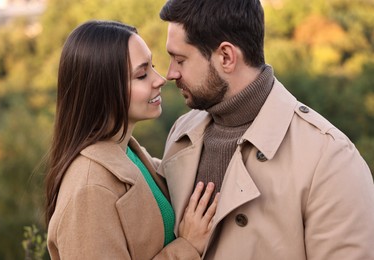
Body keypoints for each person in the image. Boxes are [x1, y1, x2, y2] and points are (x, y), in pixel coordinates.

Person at [157, 0, 374, 259]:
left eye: (180, 60)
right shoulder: (182, 133)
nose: (170, 73)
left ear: (226, 57)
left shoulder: (330, 159)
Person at [45, 20, 219, 259]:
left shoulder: (128, 154)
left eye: (153, 67)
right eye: (142, 74)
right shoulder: (89, 190)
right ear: (103, 89)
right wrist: (186, 247)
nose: (159, 79)